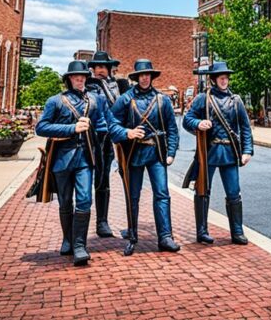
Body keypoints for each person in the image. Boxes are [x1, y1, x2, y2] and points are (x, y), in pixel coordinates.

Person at [33, 60, 111, 266]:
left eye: (83, 77)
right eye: (76, 77)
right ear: (69, 79)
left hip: (85, 158)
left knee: (85, 200)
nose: (80, 79)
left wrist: (93, 126)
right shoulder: (56, 101)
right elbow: (41, 128)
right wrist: (71, 129)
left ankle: (79, 245)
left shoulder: (95, 100)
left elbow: (103, 126)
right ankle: (67, 239)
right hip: (61, 159)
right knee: (65, 202)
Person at [107, 59, 180, 256]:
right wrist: (127, 133)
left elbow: (172, 129)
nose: (145, 78)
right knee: (133, 196)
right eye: (142, 75)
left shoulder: (162, 100)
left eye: (148, 74)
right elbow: (111, 124)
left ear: (152, 76)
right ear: (137, 77)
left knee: (162, 194)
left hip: (156, 154)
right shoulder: (125, 99)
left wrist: (171, 152)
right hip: (133, 153)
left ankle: (165, 236)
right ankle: (132, 235)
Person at [183, 62, 254, 245]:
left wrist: (247, 150)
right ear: (214, 79)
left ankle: (237, 231)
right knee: (202, 190)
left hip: (230, 152)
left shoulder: (235, 100)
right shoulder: (202, 99)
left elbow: (245, 128)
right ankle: (202, 231)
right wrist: (198, 124)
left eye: (226, 77)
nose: (224, 80)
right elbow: (187, 120)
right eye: (221, 77)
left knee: (234, 192)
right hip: (209, 151)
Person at [84, 50, 129, 238]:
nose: (100, 70)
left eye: (103, 67)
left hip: (115, 137)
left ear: (110, 69)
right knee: (93, 179)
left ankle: (112, 222)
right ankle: (94, 222)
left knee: (115, 179)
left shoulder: (120, 85)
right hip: (93, 137)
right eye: (97, 67)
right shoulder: (87, 85)